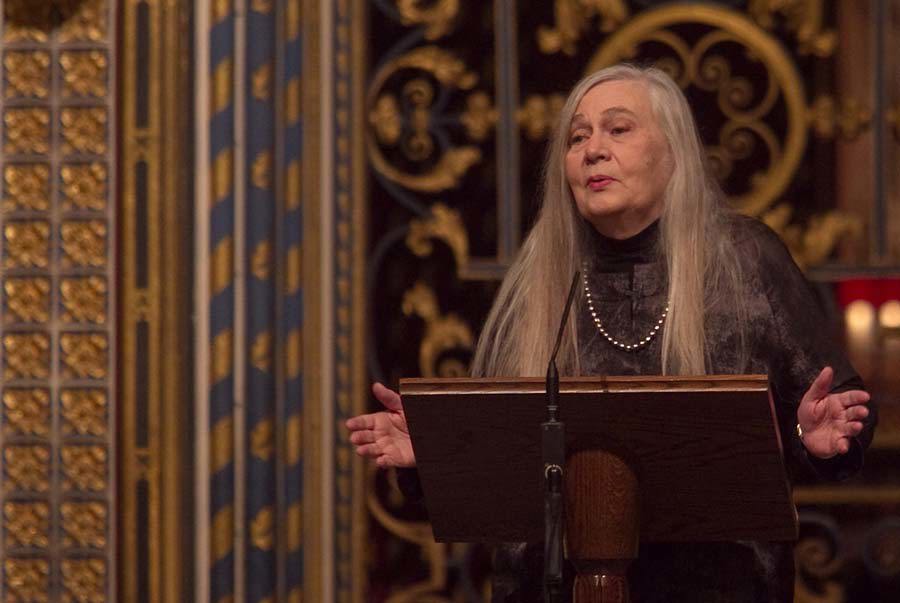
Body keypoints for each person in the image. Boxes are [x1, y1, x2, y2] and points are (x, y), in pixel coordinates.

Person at [346, 64, 876, 602]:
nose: (592, 150)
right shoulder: (539, 279)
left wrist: (814, 439)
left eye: (618, 129)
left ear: (673, 154)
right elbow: (493, 467)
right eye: (578, 137)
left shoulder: (743, 261)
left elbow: (834, 411)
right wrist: (433, 456)